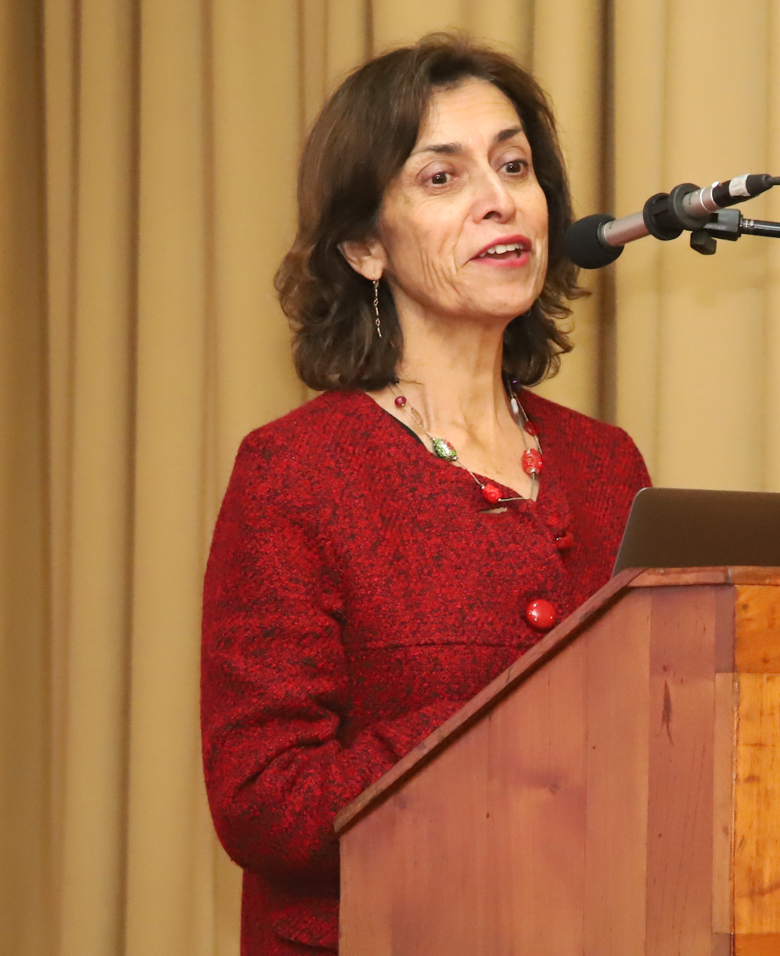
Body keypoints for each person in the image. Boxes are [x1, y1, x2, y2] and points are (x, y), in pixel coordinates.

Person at [200, 34, 649, 956]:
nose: (500, 199)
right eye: (442, 179)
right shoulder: (297, 472)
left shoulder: (608, 464)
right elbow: (265, 801)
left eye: (514, 165)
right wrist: (507, 728)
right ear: (365, 246)